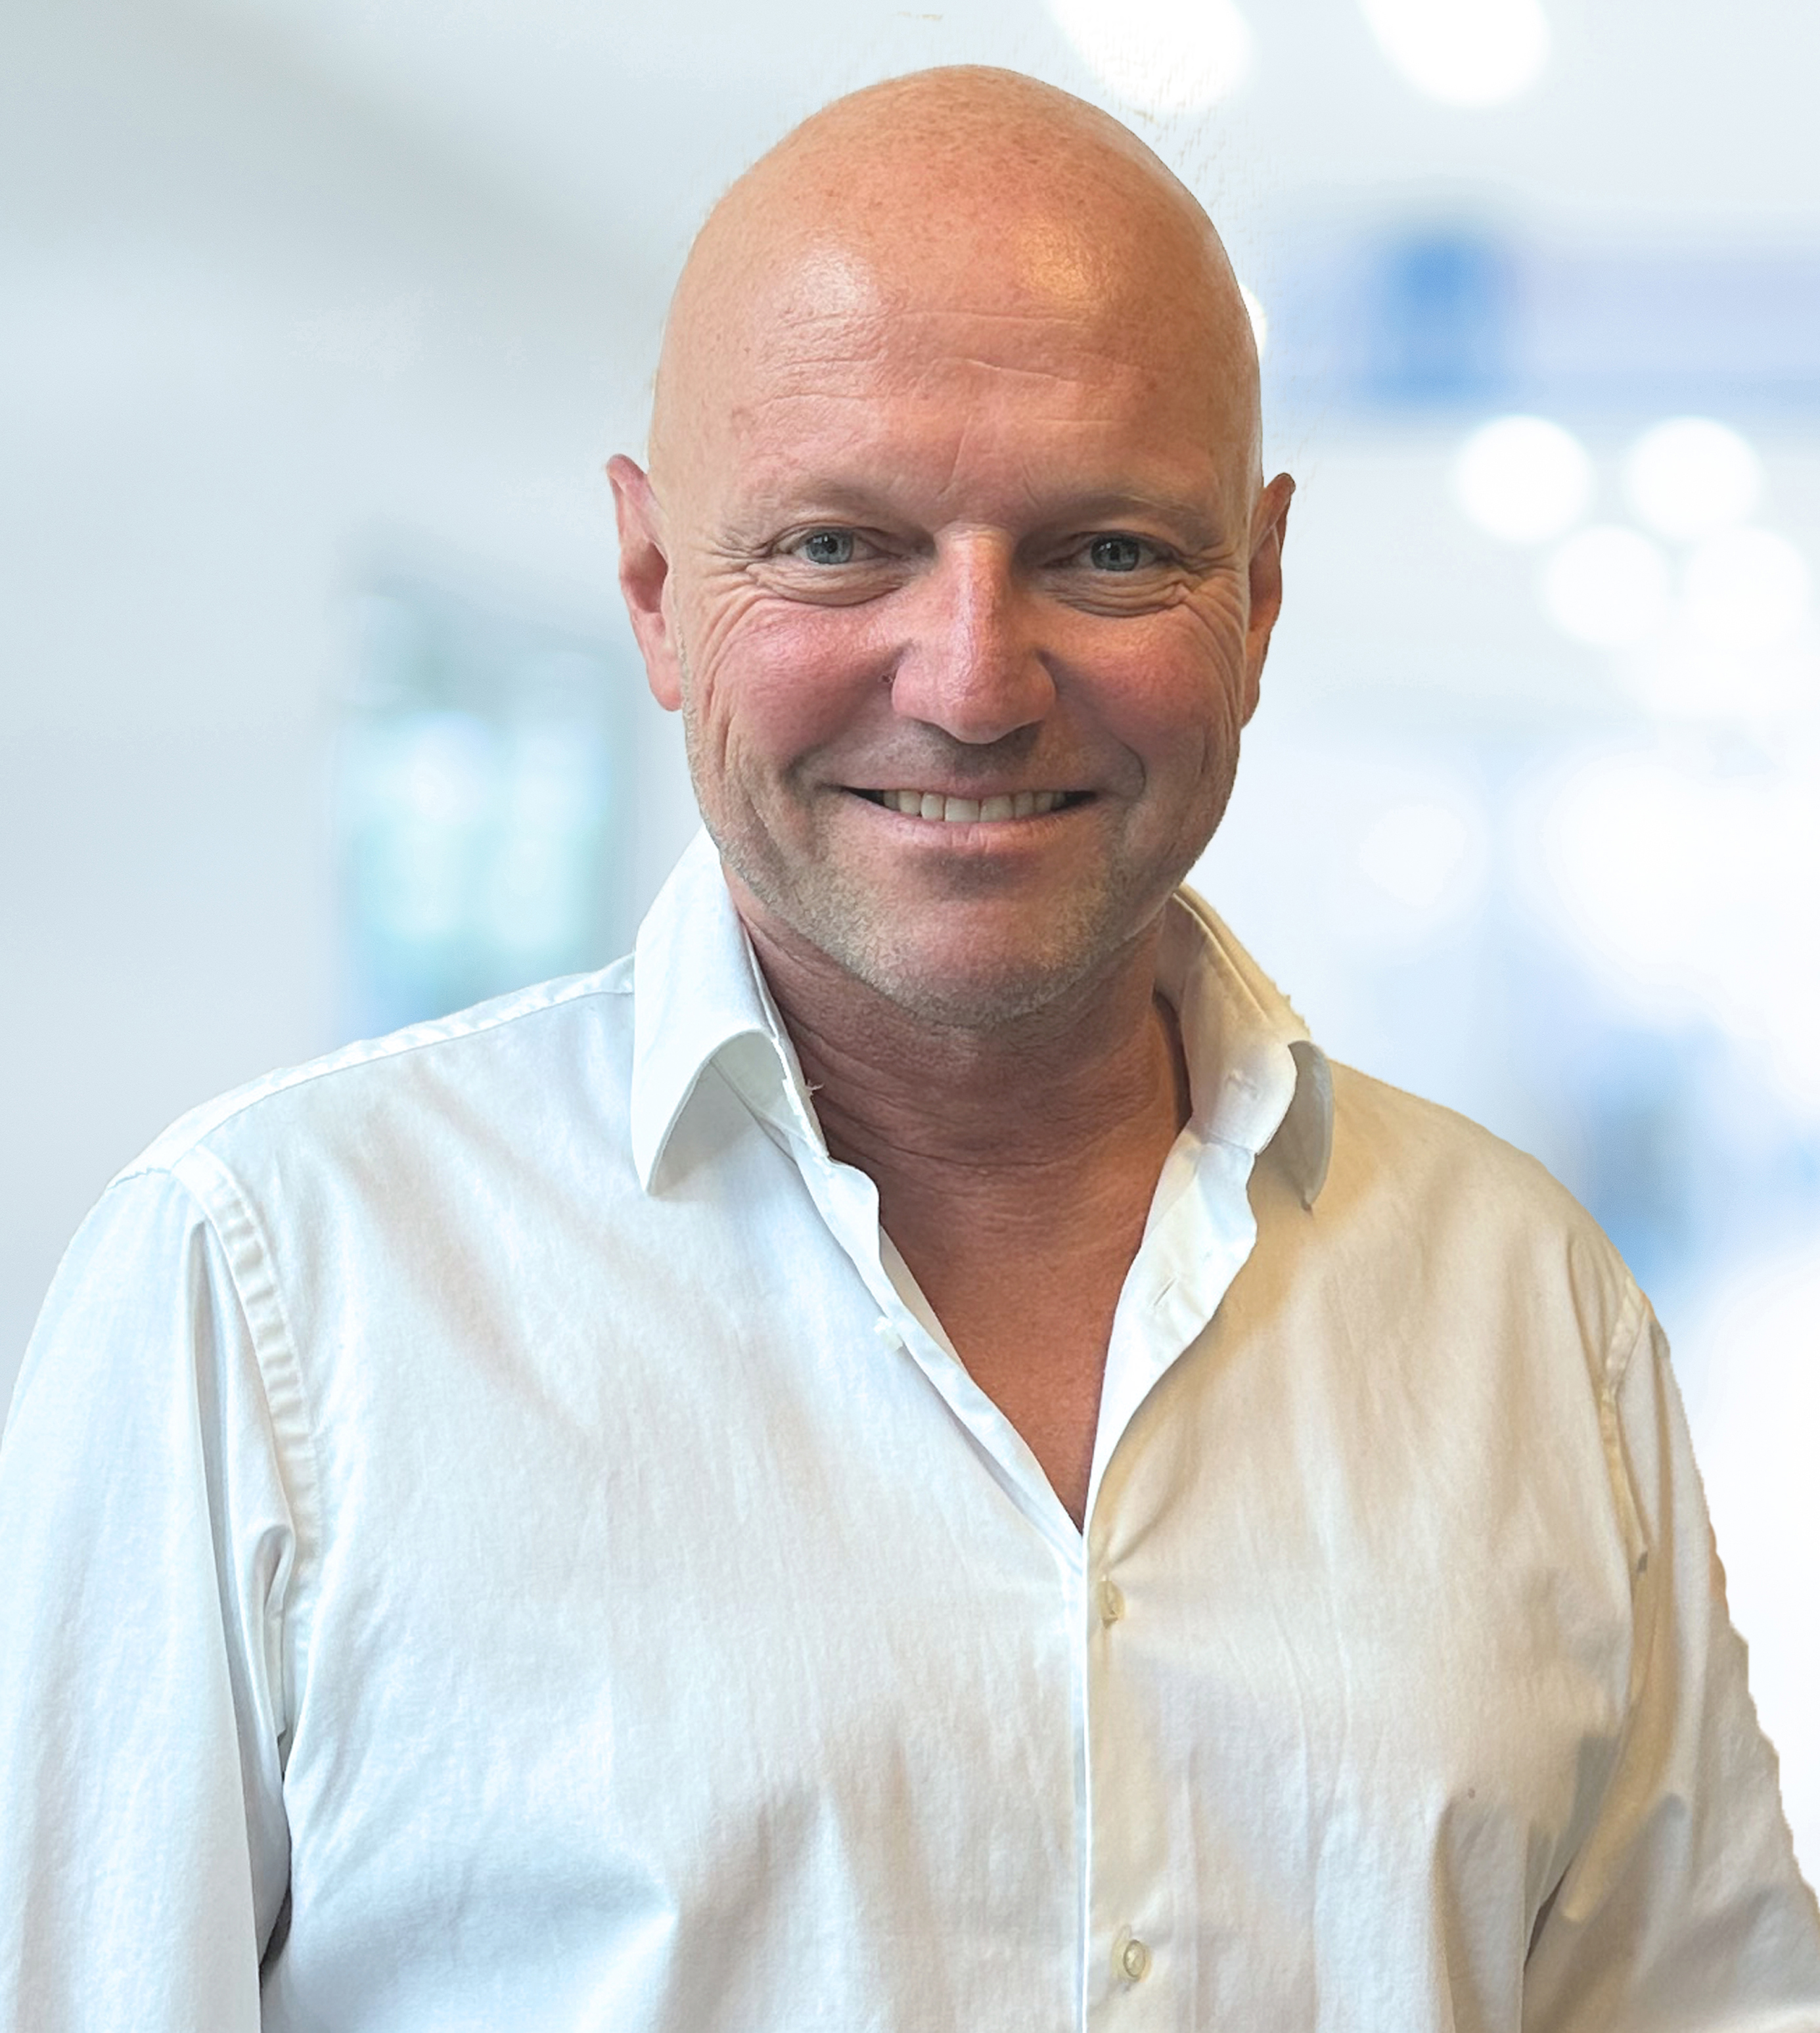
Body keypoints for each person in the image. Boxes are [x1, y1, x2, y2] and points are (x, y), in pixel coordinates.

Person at [1, 64, 1816, 2032]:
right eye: (837, 546)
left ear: (1259, 595)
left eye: (1105, 552)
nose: (970, 687)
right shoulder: (262, 1298)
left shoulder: (1528, 1310)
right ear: (653, 594)